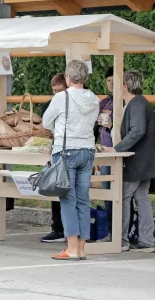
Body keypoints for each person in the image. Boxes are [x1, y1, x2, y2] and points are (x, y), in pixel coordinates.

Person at [43, 60, 99, 260]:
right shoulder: (93, 98)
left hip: (66, 151)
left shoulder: (61, 98)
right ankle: (82, 248)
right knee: (83, 200)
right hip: (88, 151)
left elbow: (46, 121)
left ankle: (72, 248)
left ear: (68, 78)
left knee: (67, 199)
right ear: (84, 77)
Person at [102, 71, 155, 253]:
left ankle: (121, 240)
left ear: (125, 86)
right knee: (142, 199)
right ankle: (147, 241)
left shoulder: (135, 104)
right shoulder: (140, 103)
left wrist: (117, 148)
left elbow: (137, 131)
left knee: (124, 197)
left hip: (137, 161)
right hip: (146, 161)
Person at [40, 73, 67, 243]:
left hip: (68, 150)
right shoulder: (49, 105)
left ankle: (64, 229)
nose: (56, 93)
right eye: (54, 90)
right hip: (56, 148)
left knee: (65, 189)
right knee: (55, 185)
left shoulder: (72, 102)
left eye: (60, 90)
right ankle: (57, 227)